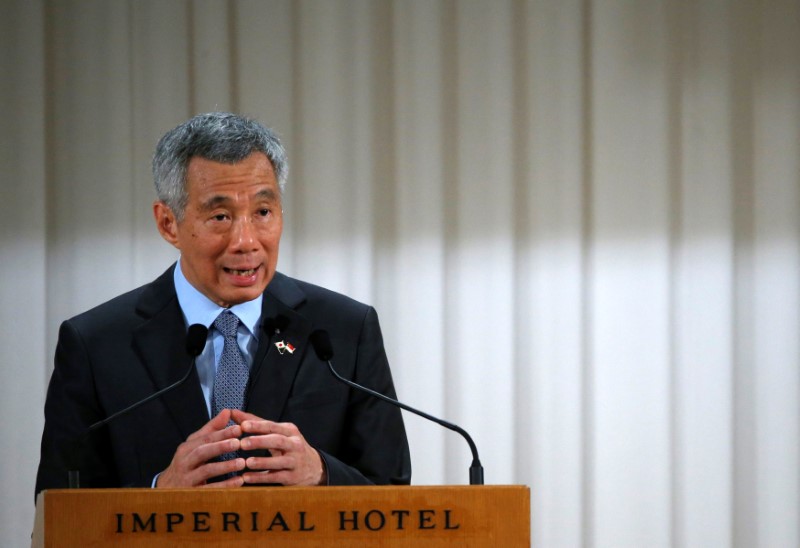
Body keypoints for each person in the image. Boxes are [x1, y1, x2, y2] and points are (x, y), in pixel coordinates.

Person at [35, 112, 411, 495]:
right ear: (168, 223)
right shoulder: (96, 344)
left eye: (263, 212)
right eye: (220, 216)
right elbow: (59, 508)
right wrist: (157, 492)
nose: (246, 241)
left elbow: (394, 490)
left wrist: (322, 473)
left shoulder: (342, 330)